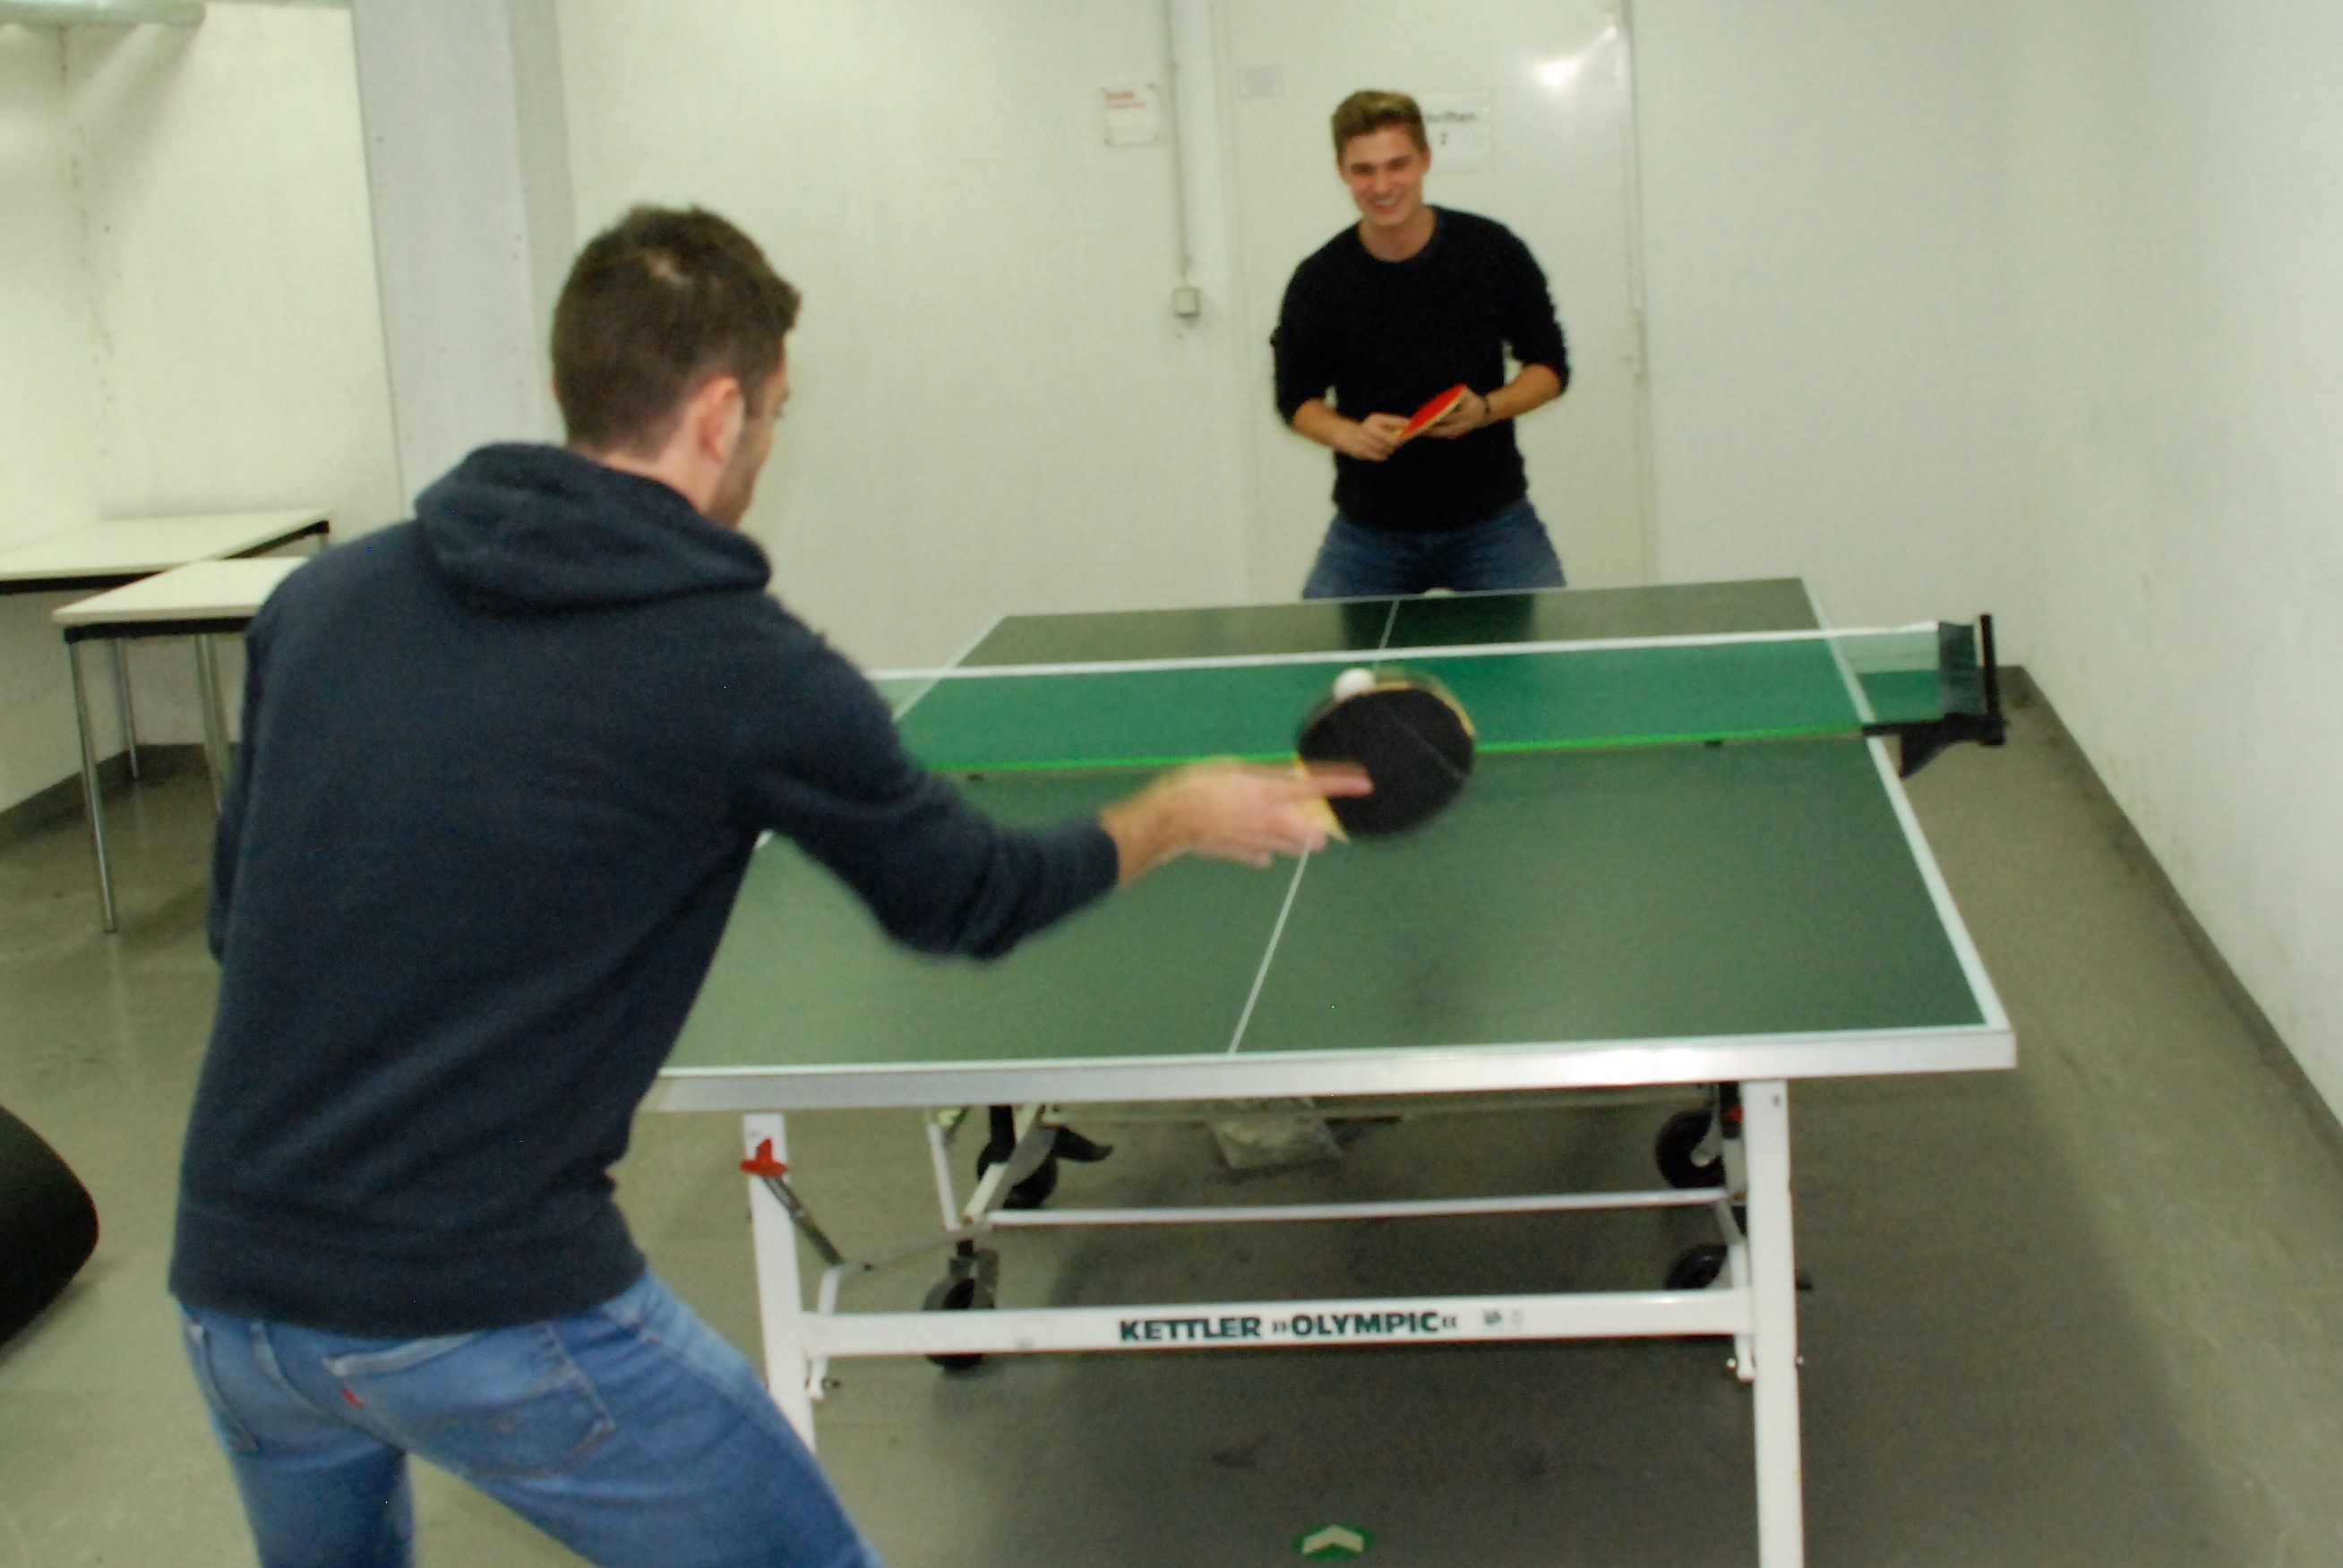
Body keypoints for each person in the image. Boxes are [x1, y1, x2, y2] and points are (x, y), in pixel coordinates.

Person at [169, 205, 1360, 1568]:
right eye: (779, 412)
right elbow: (969, 896)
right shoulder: (736, 663)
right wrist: (1177, 813)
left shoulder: (322, 599)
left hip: (235, 1298)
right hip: (484, 1304)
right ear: (722, 411)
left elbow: (239, 920)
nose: (771, 442)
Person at [1273, 90, 1573, 599]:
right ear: (1342, 173)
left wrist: (1486, 410)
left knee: (1550, 647)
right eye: (1364, 170)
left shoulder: (1491, 251)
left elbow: (1549, 367)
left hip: (1494, 523)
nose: (1382, 186)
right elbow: (1294, 399)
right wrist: (1349, 435)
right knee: (1321, 649)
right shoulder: (1319, 279)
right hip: (1369, 532)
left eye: (1398, 165)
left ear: (1426, 161)